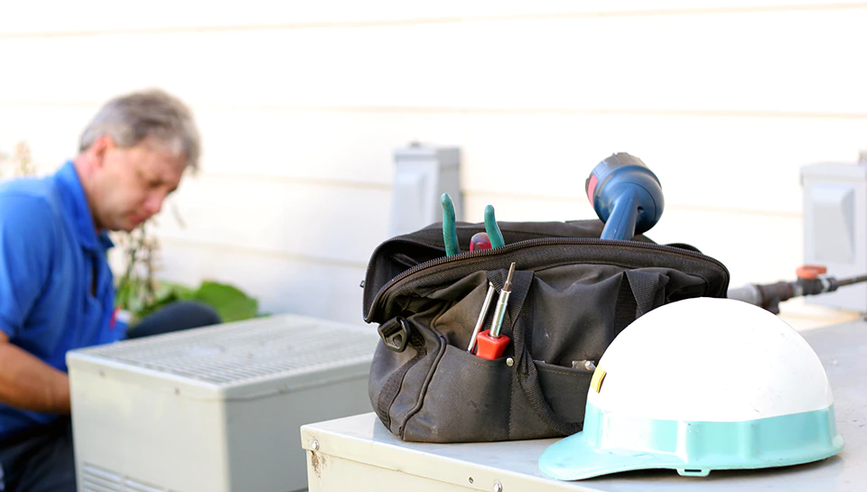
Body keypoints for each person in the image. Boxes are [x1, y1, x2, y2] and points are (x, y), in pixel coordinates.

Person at [0, 89, 221, 491]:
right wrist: (99, 399)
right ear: (101, 151)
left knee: (196, 321)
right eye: (149, 182)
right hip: (18, 444)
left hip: (70, 409)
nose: (156, 206)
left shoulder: (90, 234)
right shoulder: (26, 213)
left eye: (167, 193)